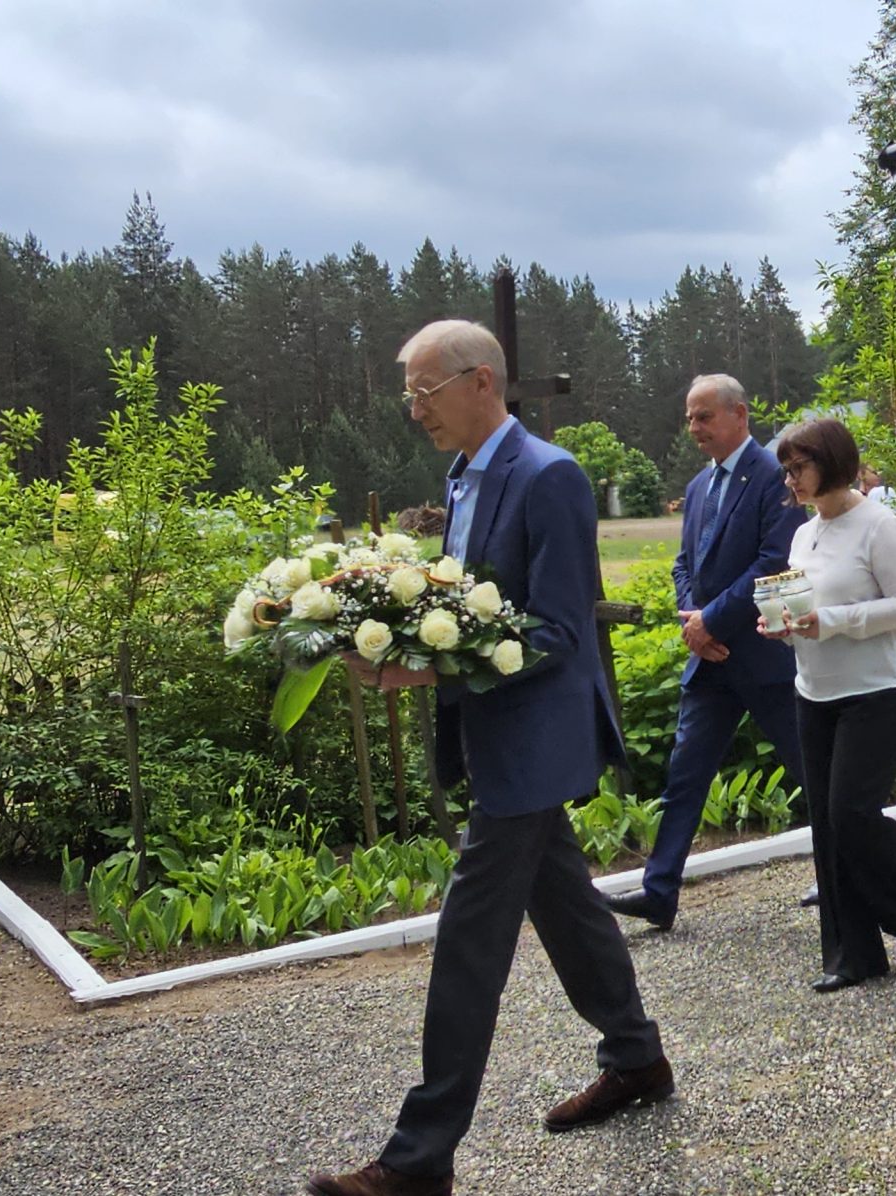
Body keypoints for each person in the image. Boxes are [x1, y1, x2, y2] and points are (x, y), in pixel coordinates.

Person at [309, 321, 665, 1196]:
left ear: (480, 382)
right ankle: (637, 1058)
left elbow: (557, 629)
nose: (414, 410)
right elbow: (472, 607)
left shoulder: (550, 475)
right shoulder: (463, 476)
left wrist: (428, 667)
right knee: (567, 905)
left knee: (469, 942)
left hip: (535, 743)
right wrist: (398, 632)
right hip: (495, 735)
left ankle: (418, 1158)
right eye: (409, 395)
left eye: (424, 392)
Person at [607, 375, 807, 933]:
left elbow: (774, 561)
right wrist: (693, 619)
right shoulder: (698, 487)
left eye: (704, 417)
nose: (693, 428)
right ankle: (659, 893)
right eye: (689, 418)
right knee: (685, 776)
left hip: (764, 656)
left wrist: (710, 621)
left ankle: (845, 871)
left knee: (811, 771)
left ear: (739, 414)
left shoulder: (774, 477)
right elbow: (684, 563)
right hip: (710, 661)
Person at [764, 418, 896, 992]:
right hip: (814, 689)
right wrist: (785, 627)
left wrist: (834, 621)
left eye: (799, 468)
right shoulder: (804, 534)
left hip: (878, 689)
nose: (790, 480)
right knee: (827, 823)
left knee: (852, 814)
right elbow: (807, 608)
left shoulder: (879, 526)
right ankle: (852, 955)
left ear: (832, 463)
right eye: (786, 470)